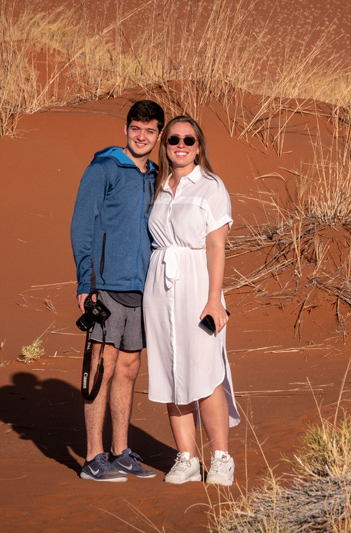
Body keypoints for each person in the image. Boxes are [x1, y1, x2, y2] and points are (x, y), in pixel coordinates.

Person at [70, 99, 165, 482]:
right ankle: (93, 457)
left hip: (143, 289)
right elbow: (82, 225)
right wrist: (86, 282)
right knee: (101, 369)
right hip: (105, 286)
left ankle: (120, 451)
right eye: (135, 129)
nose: (141, 137)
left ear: (158, 134)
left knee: (128, 369)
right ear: (125, 129)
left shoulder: (157, 176)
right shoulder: (103, 169)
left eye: (149, 131)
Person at [143, 116, 240, 486]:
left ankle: (221, 458)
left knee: (205, 370)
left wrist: (214, 300)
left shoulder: (211, 186)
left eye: (188, 140)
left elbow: (216, 244)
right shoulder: (158, 186)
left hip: (198, 285)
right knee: (171, 370)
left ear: (198, 147)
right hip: (159, 287)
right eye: (173, 140)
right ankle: (186, 457)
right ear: (165, 145)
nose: (180, 146)